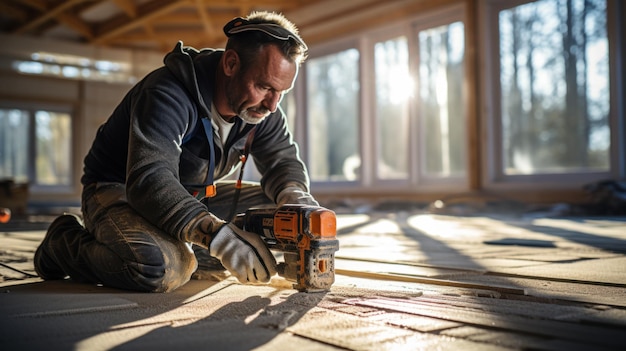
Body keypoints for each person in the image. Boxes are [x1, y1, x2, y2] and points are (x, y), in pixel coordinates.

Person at [34, 11, 318, 293]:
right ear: (231, 63)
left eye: (281, 92)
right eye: (264, 86)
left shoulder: (263, 111)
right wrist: (222, 239)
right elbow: (150, 179)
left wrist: (296, 199)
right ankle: (63, 244)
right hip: (118, 190)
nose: (271, 104)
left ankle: (196, 251)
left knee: (286, 213)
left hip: (189, 196)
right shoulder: (168, 92)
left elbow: (283, 162)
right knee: (162, 267)